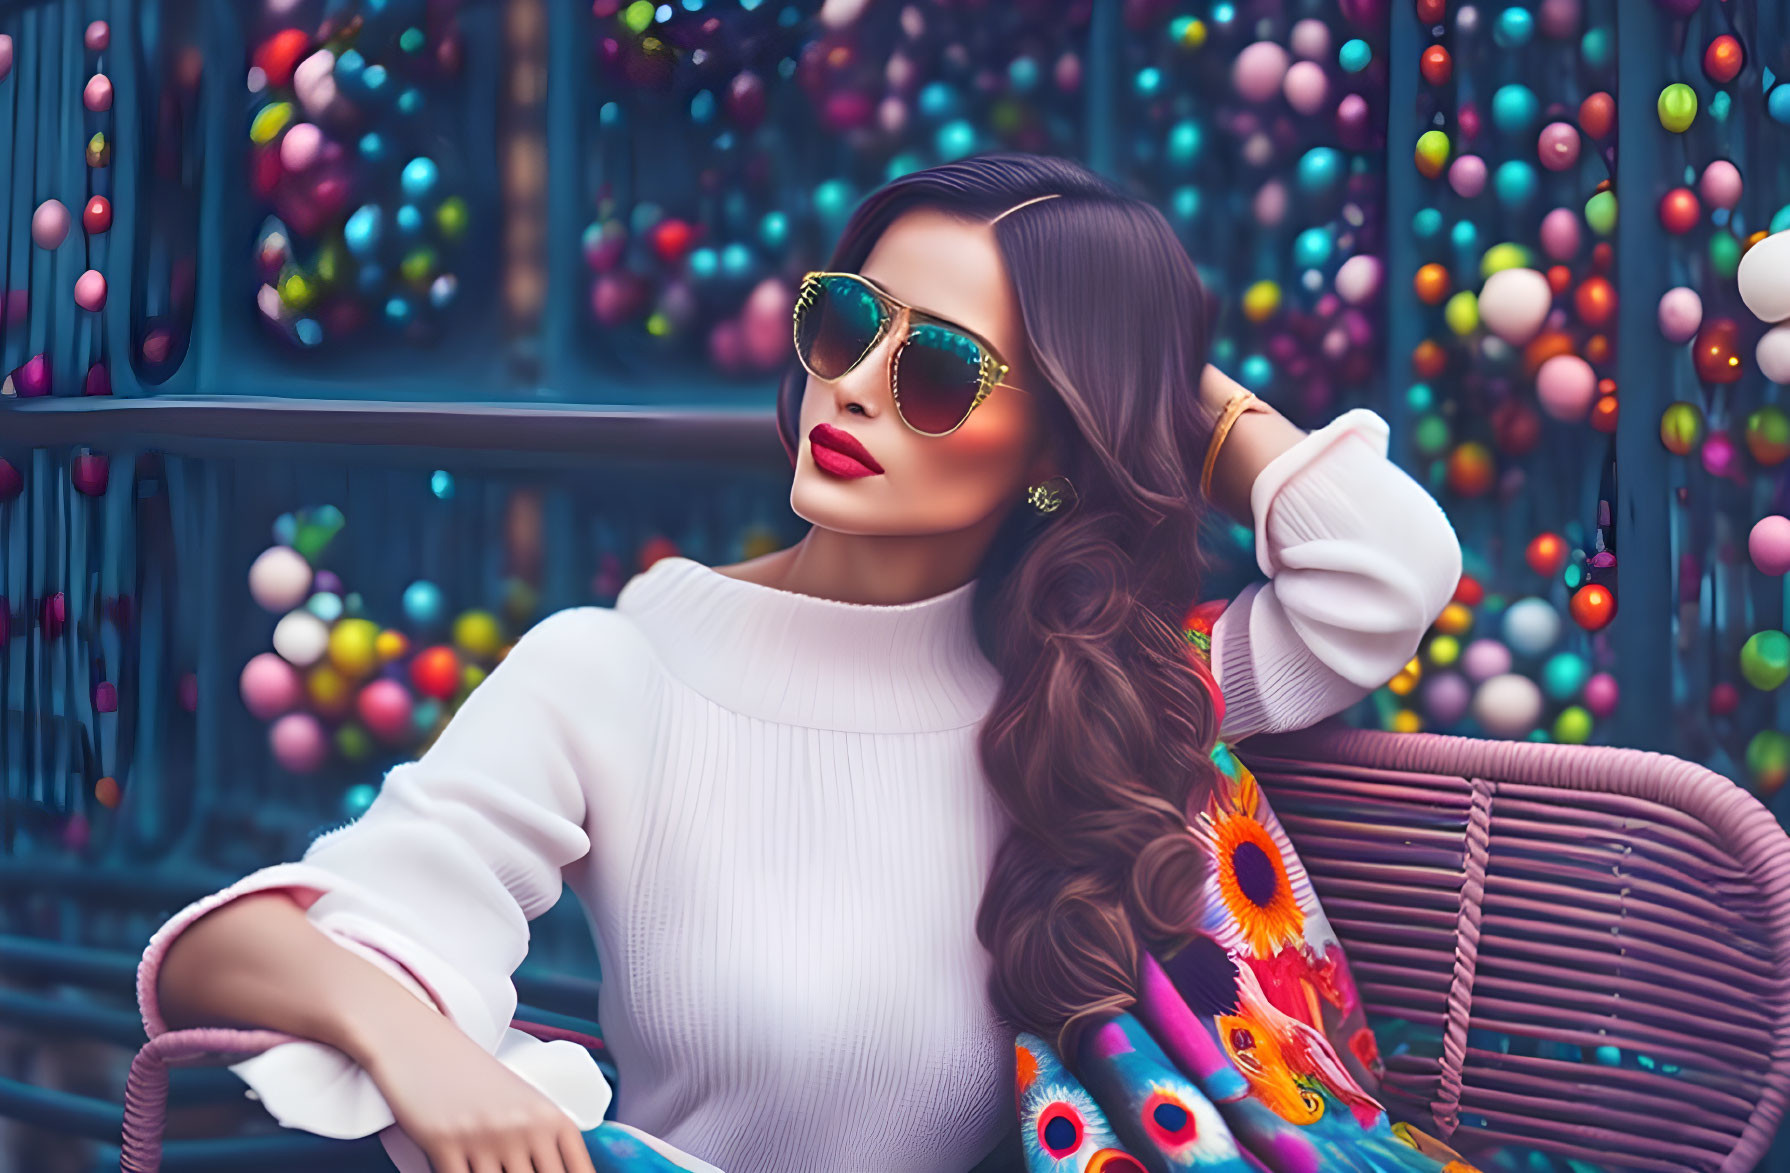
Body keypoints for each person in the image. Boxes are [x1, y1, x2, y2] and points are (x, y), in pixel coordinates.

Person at [137, 152, 1467, 1173]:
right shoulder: (618, 670)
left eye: (941, 368)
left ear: (1059, 446)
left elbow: (1380, 574)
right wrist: (422, 1049)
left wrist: (1174, 389)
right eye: (848, 323)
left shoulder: (1080, 687)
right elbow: (230, 953)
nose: (856, 388)